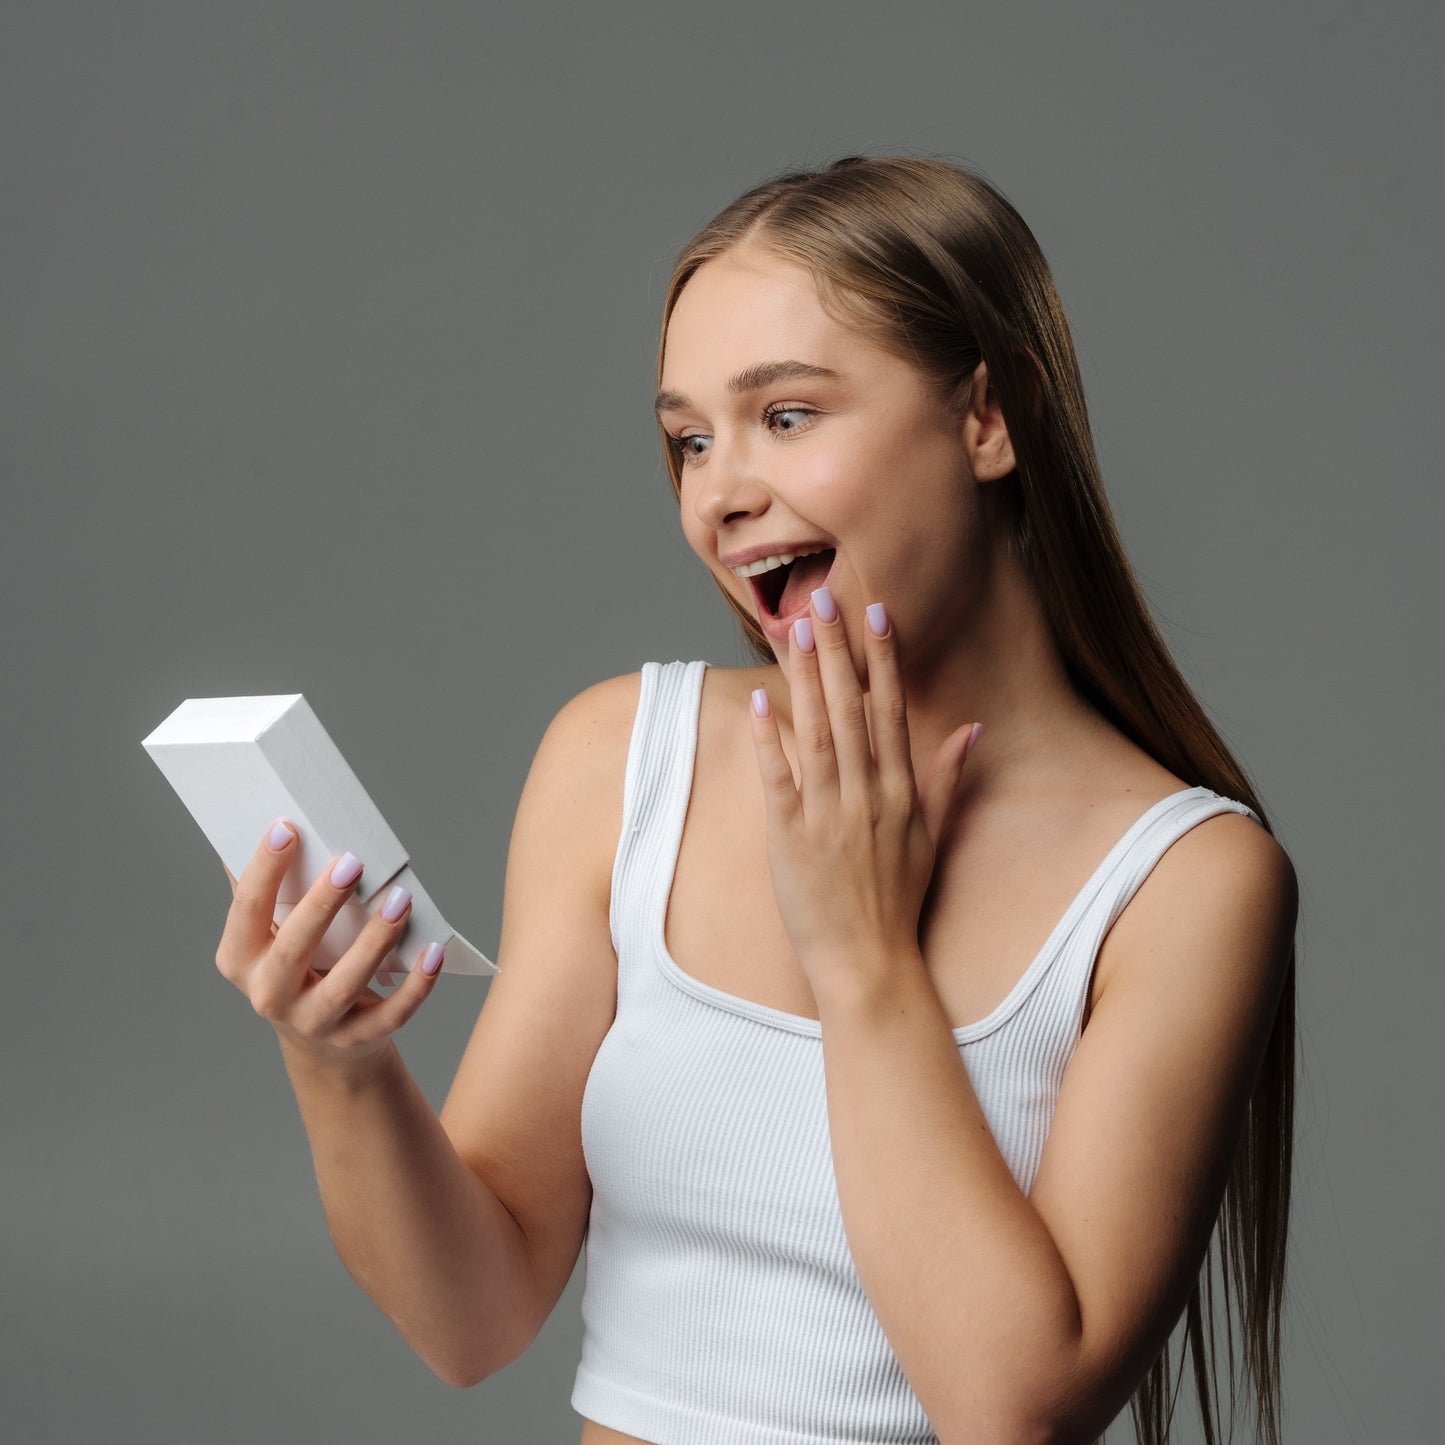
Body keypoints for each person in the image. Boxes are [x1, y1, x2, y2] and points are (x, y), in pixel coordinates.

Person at [215, 155, 1299, 1445]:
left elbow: (1013, 1407)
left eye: (785, 416)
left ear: (989, 418)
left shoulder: (1187, 883)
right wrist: (340, 1066)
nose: (719, 494)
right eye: (688, 440)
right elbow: (474, 1316)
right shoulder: (620, 757)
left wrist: (862, 951)